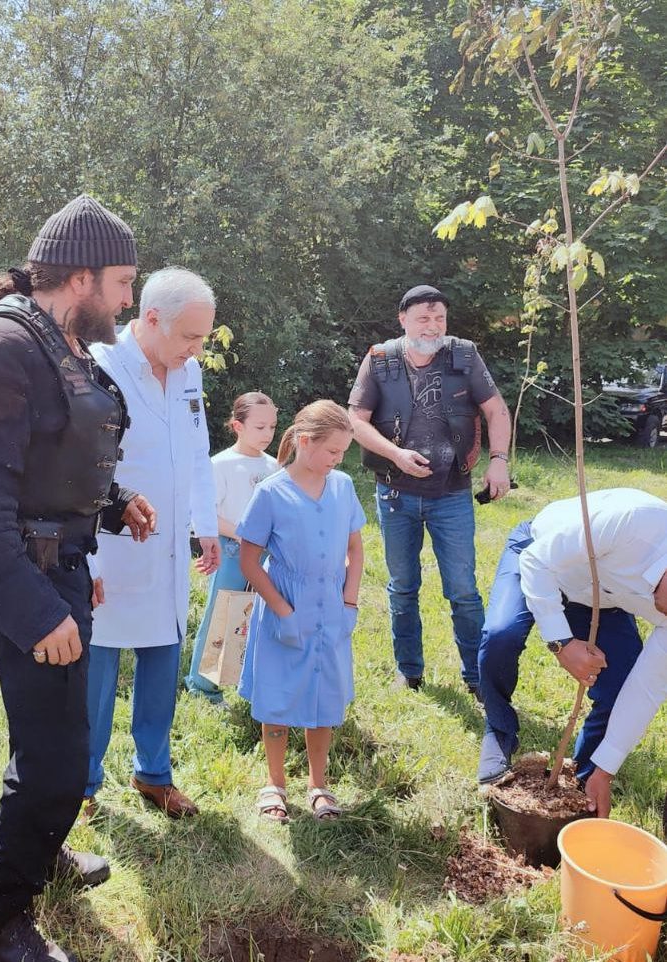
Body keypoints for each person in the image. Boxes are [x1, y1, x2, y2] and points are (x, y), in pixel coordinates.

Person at [0, 194, 156, 962]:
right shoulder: (4, 347)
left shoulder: (57, 340)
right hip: (25, 587)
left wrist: (114, 504)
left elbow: (49, 460)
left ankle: (44, 852)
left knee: (51, 743)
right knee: (61, 760)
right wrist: (36, 610)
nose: (130, 298)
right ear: (83, 275)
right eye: (124, 281)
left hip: (59, 568)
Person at [85, 266, 219, 819]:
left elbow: (195, 448)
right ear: (150, 318)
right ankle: (84, 784)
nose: (196, 349)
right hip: (108, 546)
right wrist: (82, 560)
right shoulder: (98, 365)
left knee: (164, 653)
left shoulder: (186, 372)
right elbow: (79, 469)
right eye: (190, 336)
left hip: (166, 547)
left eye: (203, 338)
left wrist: (204, 524)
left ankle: (154, 773)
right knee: (97, 666)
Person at [348, 284, 511, 695]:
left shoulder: (465, 355)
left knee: (463, 589)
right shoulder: (380, 359)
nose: (433, 326)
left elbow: (496, 409)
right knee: (403, 586)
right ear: (402, 320)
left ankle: (476, 675)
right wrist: (396, 454)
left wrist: (499, 461)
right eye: (423, 318)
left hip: (453, 493)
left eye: (439, 318)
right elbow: (357, 422)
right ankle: (410, 670)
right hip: (394, 493)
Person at [478, 488, 665, 788]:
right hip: (538, 555)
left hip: (601, 598)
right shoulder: (635, 521)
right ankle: (498, 731)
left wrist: (605, 769)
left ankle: (584, 775)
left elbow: (646, 688)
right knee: (501, 635)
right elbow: (536, 562)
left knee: (621, 681)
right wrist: (562, 644)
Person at [236, 400, 365, 822]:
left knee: (322, 697)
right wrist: (281, 611)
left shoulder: (343, 486)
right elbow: (250, 561)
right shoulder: (271, 492)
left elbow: (355, 549)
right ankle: (274, 783)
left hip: (330, 609)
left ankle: (318, 784)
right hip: (285, 608)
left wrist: (349, 601)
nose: (338, 459)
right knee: (279, 695)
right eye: (332, 451)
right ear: (305, 442)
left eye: (343, 452)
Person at [183, 392, 279, 703]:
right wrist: (244, 535)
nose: (267, 434)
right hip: (232, 551)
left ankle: (247, 683)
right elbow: (205, 514)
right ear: (237, 425)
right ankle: (203, 686)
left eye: (272, 428)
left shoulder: (274, 465)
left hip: (266, 554)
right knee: (224, 616)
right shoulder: (220, 464)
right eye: (260, 427)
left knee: (256, 617)